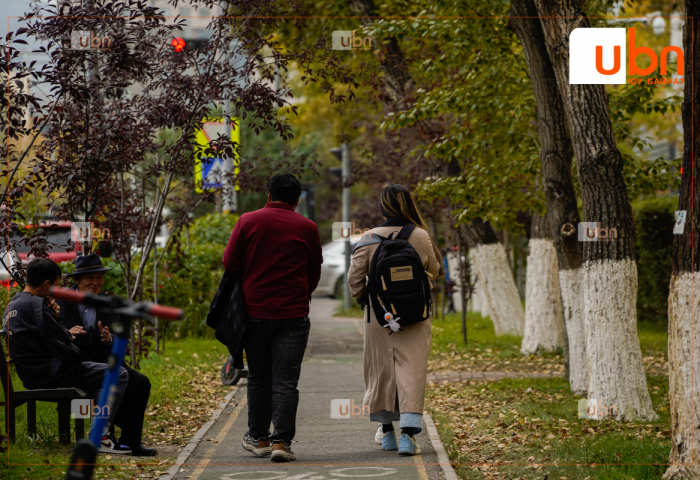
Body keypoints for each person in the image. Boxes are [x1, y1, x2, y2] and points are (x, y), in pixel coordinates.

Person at [223, 173, 323, 463]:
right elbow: (314, 270)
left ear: (269, 196)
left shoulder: (248, 221)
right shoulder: (308, 227)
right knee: (286, 382)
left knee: (258, 377)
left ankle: (259, 438)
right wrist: (301, 293)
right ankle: (282, 443)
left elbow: (230, 263)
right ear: (296, 200)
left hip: (253, 313)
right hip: (293, 314)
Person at [348, 184, 443, 456]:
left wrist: (366, 298)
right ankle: (409, 437)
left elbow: (355, 281)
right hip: (416, 315)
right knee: (412, 371)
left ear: (382, 207)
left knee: (381, 371)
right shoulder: (421, 235)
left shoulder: (367, 238)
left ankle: (387, 433)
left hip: (379, 316)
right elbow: (435, 270)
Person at [2, 258, 130, 454]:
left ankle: (100, 435)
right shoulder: (38, 306)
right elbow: (64, 342)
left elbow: (45, 337)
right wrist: (75, 349)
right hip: (53, 375)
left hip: (30, 375)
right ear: (46, 284)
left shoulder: (13, 305)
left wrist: (54, 319)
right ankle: (100, 437)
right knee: (118, 374)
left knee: (98, 376)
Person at [57, 253, 157, 457]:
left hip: (104, 359)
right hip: (76, 362)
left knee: (140, 382)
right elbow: (52, 334)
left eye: (99, 277)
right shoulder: (62, 301)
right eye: (90, 278)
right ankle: (104, 435)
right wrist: (68, 334)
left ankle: (131, 441)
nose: (95, 283)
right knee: (111, 382)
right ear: (77, 280)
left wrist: (109, 337)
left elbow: (120, 335)